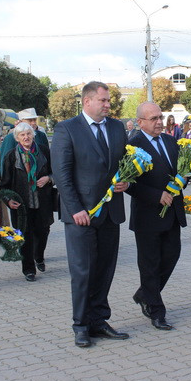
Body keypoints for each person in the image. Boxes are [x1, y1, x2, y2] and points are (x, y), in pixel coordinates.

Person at [51, 81, 129, 348]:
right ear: (87, 101)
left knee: (105, 270)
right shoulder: (67, 129)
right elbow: (62, 174)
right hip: (81, 215)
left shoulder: (118, 128)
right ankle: (81, 325)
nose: (108, 105)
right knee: (83, 272)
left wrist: (126, 182)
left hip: (110, 212)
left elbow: (124, 165)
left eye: (108, 101)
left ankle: (99, 320)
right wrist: (76, 209)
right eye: (103, 100)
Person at [126, 102, 185, 331]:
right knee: (150, 264)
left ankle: (144, 294)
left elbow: (181, 170)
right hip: (148, 215)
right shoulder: (133, 146)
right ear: (140, 122)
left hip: (172, 212)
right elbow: (129, 183)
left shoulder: (171, 141)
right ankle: (156, 310)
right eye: (153, 119)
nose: (159, 122)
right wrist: (155, 195)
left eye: (160, 117)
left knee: (172, 255)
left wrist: (183, 179)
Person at [0, 122, 54, 281]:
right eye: (22, 135)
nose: (26, 137)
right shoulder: (11, 155)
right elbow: (5, 183)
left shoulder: (43, 151)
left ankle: (39, 256)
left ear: (33, 135)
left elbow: (55, 171)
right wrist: (8, 200)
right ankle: (28, 269)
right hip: (21, 203)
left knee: (43, 231)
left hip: (42, 200)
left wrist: (49, 178)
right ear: (17, 138)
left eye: (28, 134)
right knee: (24, 235)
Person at [0, 108, 49, 173]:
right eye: (30, 120)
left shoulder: (41, 135)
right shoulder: (10, 138)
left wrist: (49, 177)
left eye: (34, 120)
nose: (33, 123)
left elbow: (47, 158)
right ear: (21, 121)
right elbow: (4, 163)